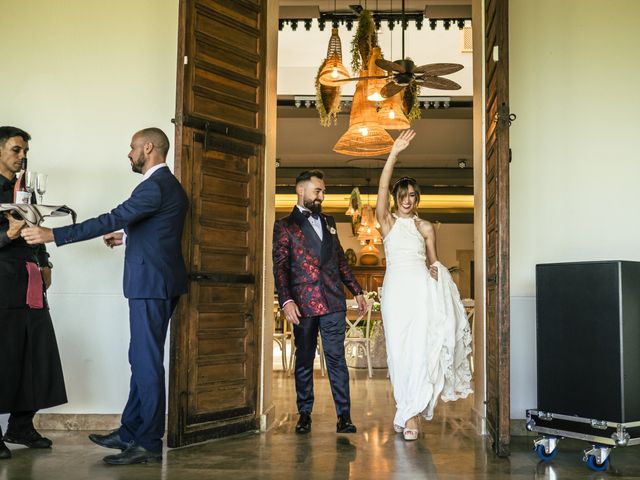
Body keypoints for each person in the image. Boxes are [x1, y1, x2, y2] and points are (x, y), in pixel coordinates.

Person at [22, 127, 188, 465]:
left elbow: (110, 217)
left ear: (149, 148)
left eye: (132, 148)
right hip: (157, 282)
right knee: (140, 359)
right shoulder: (167, 186)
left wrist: (55, 234)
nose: (129, 154)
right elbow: (159, 232)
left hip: (151, 285)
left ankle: (149, 443)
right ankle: (130, 431)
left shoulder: (154, 186)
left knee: (146, 364)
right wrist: (125, 238)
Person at [376, 130, 473, 441]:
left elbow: (434, 261)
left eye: (412, 196)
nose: (407, 201)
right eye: (402, 196)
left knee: (419, 350)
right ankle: (404, 408)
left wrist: (438, 276)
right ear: (396, 198)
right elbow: (380, 188)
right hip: (395, 292)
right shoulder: (387, 222)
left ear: (417, 198)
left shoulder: (426, 226)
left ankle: (413, 415)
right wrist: (393, 153)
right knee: (398, 352)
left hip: (420, 291)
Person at [273, 169, 367, 434]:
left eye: (323, 191)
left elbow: (340, 260)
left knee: (337, 358)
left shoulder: (329, 221)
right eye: (318, 191)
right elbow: (280, 267)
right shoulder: (285, 225)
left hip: (333, 301)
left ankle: (344, 416)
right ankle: (304, 413)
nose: (322, 196)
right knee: (304, 359)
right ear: (300, 190)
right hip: (302, 304)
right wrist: (286, 300)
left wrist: (357, 290)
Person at [0, 126, 67, 460]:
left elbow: (35, 229)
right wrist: (6, 234)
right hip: (1, 284)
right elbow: (12, 233)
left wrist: (46, 261)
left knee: (35, 354)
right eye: (16, 150)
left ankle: (21, 426)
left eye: (24, 150)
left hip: (30, 280)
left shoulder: (23, 192)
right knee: (3, 356)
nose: (22, 156)